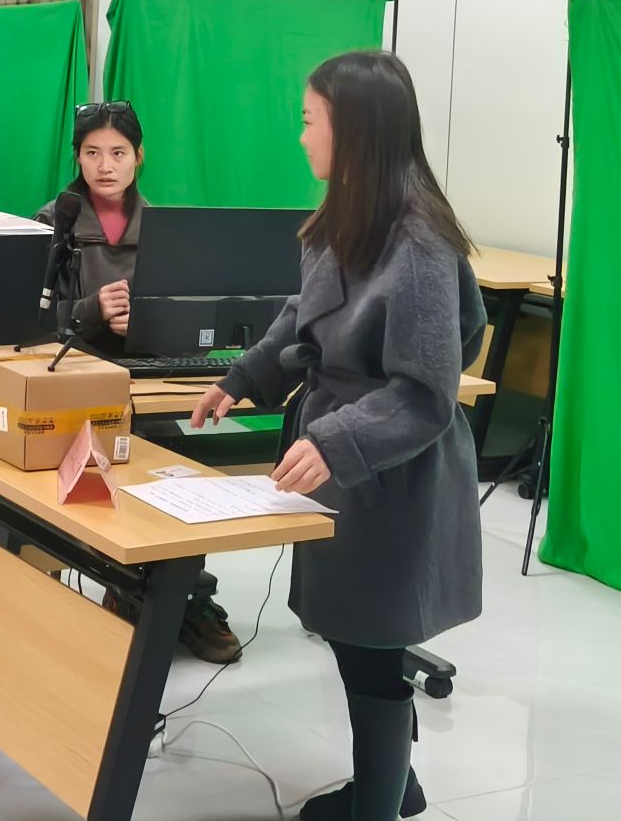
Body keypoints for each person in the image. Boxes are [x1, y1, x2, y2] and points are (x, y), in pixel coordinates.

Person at [193, 51, 484, 821]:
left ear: (353, 130)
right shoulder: (347, 215)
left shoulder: (419, 243)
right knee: (356, 635)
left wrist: (335, 440)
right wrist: (242, 377)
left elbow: (424, 393)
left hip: (394, 472)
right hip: (349, 456)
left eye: (309, 121)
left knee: (373, 644)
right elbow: (304, 314)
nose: (301, 137)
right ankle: (395, 784)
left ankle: (379, 806)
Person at [35, 103, 243, 666]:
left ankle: (182, 595)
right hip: (73, 385)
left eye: (118, 153)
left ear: (139, 157)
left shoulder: (164, 228)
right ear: (77, 158)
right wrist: (91, 311)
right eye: (92, 153)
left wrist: (147, 323)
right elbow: (29, 323)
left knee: (173, 469)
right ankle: (121, 587)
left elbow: (190, 323)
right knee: (93, 477)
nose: (105, 166)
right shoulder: (54, 220)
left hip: (147, 383)